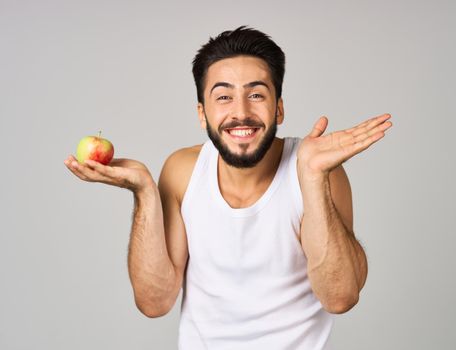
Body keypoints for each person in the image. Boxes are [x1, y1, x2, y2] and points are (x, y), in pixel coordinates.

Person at [64, 26, 392, 350]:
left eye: (256, 94)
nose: (241, 112)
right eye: (223, 96)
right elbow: (155, 302)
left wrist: (313, 177)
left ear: (278, 107)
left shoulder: (317, 170)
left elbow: (340, 297)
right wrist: (144, 192)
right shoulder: (182, 171)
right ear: (202, 114)